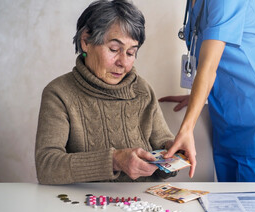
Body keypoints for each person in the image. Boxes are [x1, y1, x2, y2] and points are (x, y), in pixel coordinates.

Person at [35, 0, 176, 184]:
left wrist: (174, 154)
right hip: (86, 206)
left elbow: (164, 145)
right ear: (85, 41)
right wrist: (115, 161)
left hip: (145, 203)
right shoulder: (59, 93)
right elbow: (47, 166)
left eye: (131, 53)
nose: (123, 63)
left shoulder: (142, 90)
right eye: (114, 49)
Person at [159, 0, 255, 182]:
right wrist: (197, 95)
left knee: (253, 210)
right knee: (226, 209)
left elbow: (208, 67)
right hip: (225, 127)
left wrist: (186, 130)